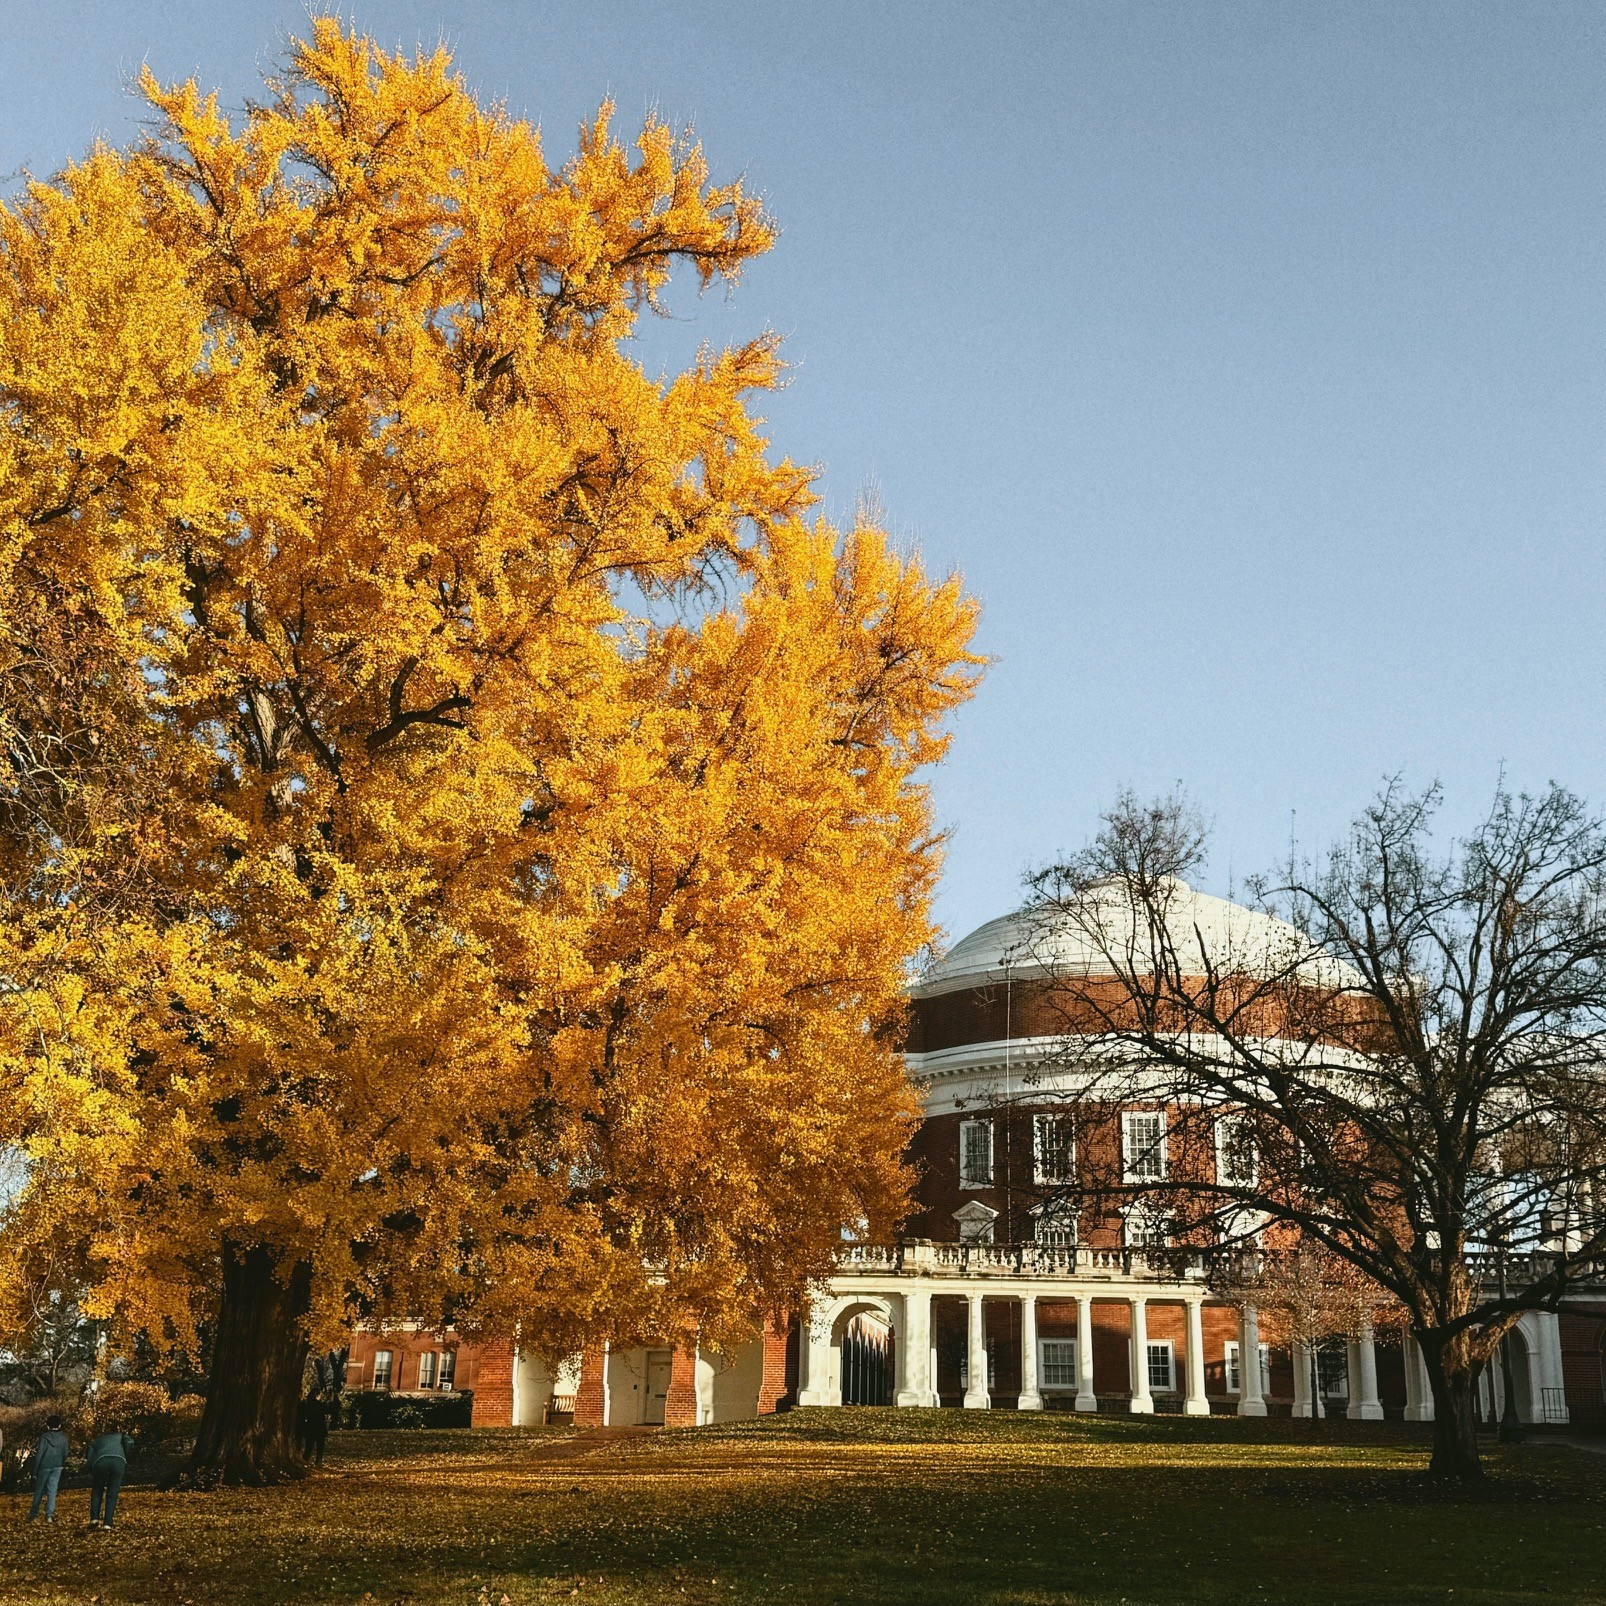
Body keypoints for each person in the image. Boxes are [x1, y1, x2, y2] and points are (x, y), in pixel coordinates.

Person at [85, 1421, 133, 1532]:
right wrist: (124, 1454)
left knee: (97, 1489)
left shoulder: (98, 1439)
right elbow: (130, 1443)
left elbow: (90, 1457)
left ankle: (94, 1518)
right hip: (118, 1461)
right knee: (113, 1492)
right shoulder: (121, 1437)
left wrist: (91, 1469)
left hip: (100, 1461)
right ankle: (107, 1523)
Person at [26, 1415, 69, 1523]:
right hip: (57, 1466)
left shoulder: (44, 1437)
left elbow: (40, 1454)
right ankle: (49, 1515)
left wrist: (34, 1470)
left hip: (44, 1466)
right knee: (52, 1491)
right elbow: (65, 1453)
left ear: (47, 1425)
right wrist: (61, 1463)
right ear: (59, 1425)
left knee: (39, 1491)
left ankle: (34, 1515)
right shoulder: (64, 1437)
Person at [296, 1393, 329, 1467]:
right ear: (317, 1396)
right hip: (320, 1428)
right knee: (320, 1447)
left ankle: (306, 1460)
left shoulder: (307, 1405)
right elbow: (329, 1410)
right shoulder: (321, 1405)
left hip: (310, 1428)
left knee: (309, 1447)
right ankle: (318, 1463)